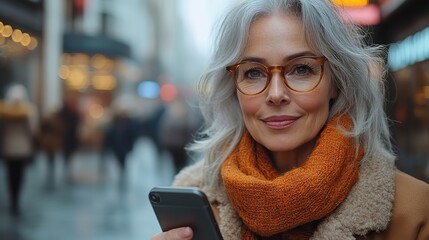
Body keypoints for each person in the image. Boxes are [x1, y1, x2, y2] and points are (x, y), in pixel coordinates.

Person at [151, 0, 429, 239]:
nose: (275, 94)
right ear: (234, 89)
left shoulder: (414, 211)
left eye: (301, 69)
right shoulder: (195, 196)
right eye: (253, 73)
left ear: (336, 84)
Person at [0, 84, 37, 216]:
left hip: (8, 148)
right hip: (22, 149)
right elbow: (33, 131)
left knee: (10, 174)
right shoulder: (28, 111)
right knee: (19, 175)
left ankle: (12, 198)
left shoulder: (4, 112)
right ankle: (16, 200)